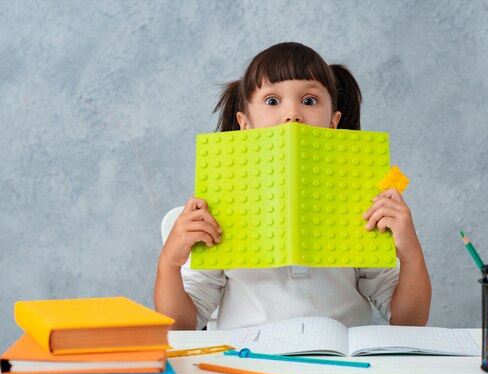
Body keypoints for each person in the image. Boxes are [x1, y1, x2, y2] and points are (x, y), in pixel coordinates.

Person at [155, 42, 431, 330]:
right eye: (272, 101)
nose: (292, 114)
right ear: (245, 124)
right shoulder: (221, 207)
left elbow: (409, 321)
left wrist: (411, 252)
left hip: (343, 362)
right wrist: (169, 264)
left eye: (309, 101)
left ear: (333, 123)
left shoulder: (361, 203)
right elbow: (181, 327)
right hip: (249, 361)